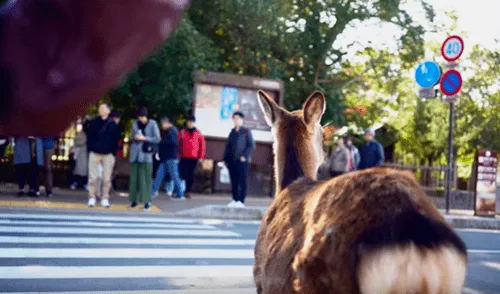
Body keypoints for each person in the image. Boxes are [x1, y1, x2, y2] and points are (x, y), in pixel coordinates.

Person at [86, 104, 121, 208]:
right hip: (95, 152)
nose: (100, 110)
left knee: (106, 178)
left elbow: (116, 138)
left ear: (108, 111)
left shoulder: (113, 125)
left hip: (108, 154)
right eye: (100, 108)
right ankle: (91, 197)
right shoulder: (94, 122)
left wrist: (112, 152)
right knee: (93, 177)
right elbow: (89, 136)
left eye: (103, 108)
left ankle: (105, 198)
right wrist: (90, 148)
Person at [129, 106, 161, 211]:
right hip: (135, 154)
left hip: (146, 155)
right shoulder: (135, 124)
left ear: (146, 116)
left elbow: (157, 138)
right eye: (139, 117)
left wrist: (145, 138)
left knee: (146, 179)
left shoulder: (152, 124)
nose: (141, 119)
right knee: (134, 178)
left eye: (142, 117)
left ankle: (147, 202)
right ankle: (133, 201)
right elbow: (131, 137)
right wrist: (135, 138)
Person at [223, 112, 256, 208]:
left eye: (237, 118)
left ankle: (241, 201)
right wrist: (225, 159)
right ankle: (234, 199)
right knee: (234, 181)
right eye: (234, 118)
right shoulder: (232, 132)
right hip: (232, 161)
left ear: (242, 120)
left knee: (242, 181)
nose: (236, 120)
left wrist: (244, 156)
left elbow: (251, 146)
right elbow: (228, 146)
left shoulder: (246, 131)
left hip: (242, 161)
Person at [153, 118, 185, 200]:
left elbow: (173, 143)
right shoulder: (170, 131)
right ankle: (153, 191)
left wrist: (162, 141)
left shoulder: (172, 131)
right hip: (166, 157)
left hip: (170, 157)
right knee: (159, 174)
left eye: (163, 124)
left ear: (167, 123)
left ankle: (180, 194)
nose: (162, 126)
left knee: (174, 176)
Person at [178, 115, 205, 198]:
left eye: (192, 122)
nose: (190, 123)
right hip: (183, 157)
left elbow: (202, 146)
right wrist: (177, 155)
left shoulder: (198, 133)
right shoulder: (182, 132)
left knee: (191, 175)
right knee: (182, 174)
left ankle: (188, 191)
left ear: (194, 123)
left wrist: (201, 157)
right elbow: (178, 144)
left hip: (194, 157)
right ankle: (180, 190)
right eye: (189, 121)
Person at [70, 121, 88, 191]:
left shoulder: (84, 134)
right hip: (79, 154)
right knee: (77, 170)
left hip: (83, 155)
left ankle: (82, 183)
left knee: (83, 171)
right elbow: (77, 141)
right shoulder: (82, 134)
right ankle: (76, 182)